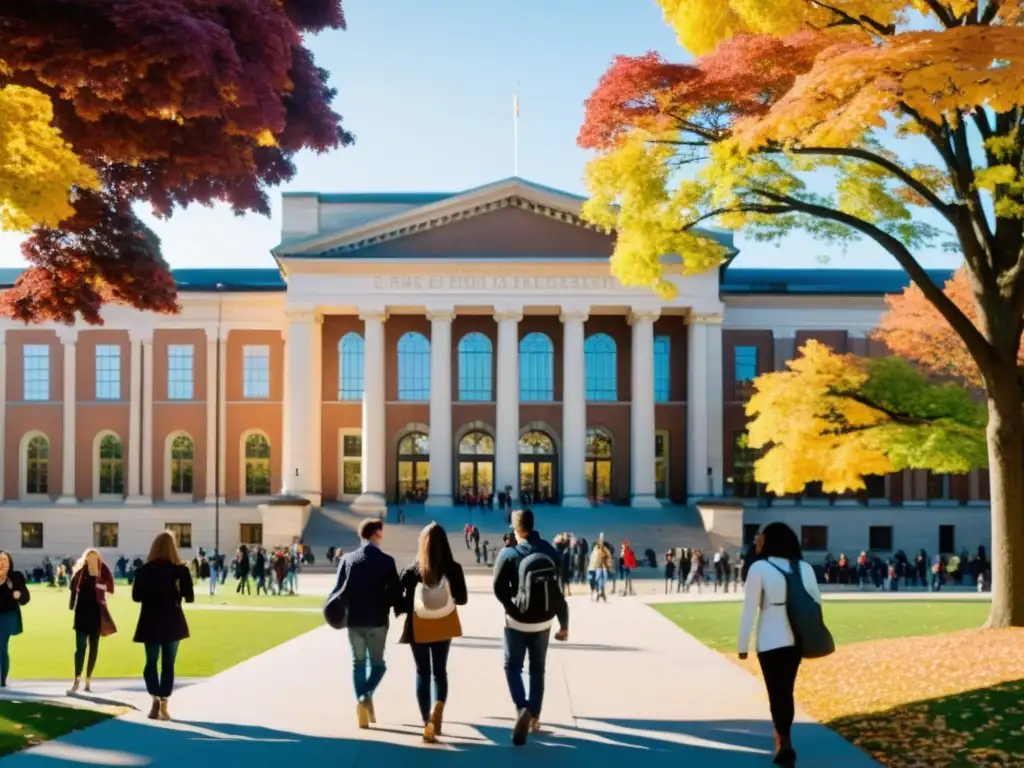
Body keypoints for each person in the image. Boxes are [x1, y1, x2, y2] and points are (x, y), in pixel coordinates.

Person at [738, 522, 822, 768]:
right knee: (786, 689)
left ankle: (782, 741)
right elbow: (817, 602)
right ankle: (783, 737)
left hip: (770, 638)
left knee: (777, 691)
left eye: (760, 538)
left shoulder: (759, 568)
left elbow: (748, 610)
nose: (757, 542)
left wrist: (742, 645)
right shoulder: (804, 567)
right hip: (796, 638)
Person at [492, 508, 569, 747]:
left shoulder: (509, 552)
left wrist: (511, 608)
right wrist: (563, 623)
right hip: (545, 619)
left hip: (517, 620)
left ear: (515, 528)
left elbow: (498, 587)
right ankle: (534, 717)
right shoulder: (549, 549)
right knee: (538, 669)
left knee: (512, 665)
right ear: (533, 525)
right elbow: (557, 586)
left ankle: (522, 707)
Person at [395, 523, 468, 742]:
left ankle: (426, 720)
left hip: (418, 626)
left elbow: (399, 603)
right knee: (440, 672)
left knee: (422, 673)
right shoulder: (453, 569)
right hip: (443, 623)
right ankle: (439, 711)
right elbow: (463, 599)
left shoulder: (411, 570)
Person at [333, 518, 400, 729]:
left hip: (354, 620)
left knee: (358, 663)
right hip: (377, 620)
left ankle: (363, 702)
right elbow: (396, 594)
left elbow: (337, 590)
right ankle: (365, 697)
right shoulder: (386, 561)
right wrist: (388, 604)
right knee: (378, 665)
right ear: (377, 534)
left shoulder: (348, 559)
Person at [132, 530, 195, 721]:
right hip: (172, 620)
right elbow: (190, 597)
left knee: (151, 662)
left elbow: (136, 597)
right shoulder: (180, 570)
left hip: (150, 620)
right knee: (168, 664)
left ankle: (155, 698)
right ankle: (164, 701)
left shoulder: (144, 570)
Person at [67, 548, 116, 694]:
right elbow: (72, 587)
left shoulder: (103, 569)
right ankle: (76, 679)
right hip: (81, 615)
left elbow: (111, 587)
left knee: (93, 649)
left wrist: (100, 585)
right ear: (86, 559)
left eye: (95, 557)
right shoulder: (81, 572)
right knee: (80, 649)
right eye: (90, 557)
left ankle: (88, 679)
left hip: (96, 616)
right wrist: (71, 604)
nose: (93, 559)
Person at [0, 552, 30, 687]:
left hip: (8, 616)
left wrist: (19, 594)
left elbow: (25, 598)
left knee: (1, 646)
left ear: (10, 562)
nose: (2, 563)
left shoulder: (15, 577)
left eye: (5, 560)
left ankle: (2, 678)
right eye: (0, 560)